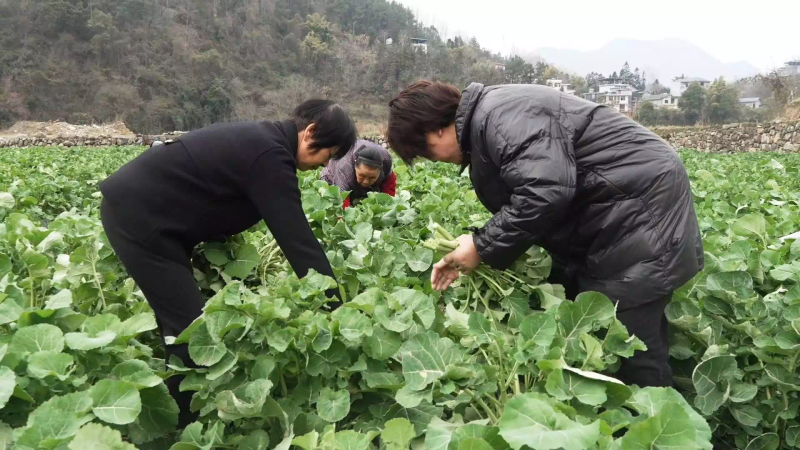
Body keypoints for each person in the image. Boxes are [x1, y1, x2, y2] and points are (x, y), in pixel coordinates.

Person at [386, 80, 704, 388]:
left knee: (626, 332)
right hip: (614, 208)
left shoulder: (499, 117)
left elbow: (545, 192)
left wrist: (481, 246)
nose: (435, 159)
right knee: (593, 315)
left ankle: (652, 411)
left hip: (640, 204)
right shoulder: (487, 121)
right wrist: (480, 244)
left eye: (427, 151)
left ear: (436, 129)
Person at [99, 99, 356, 426]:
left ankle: (175, 414)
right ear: (311, 132)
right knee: (192, 334)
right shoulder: (270, 156)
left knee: (180, 325)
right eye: (328, 154)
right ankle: (182, 428)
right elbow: (299, 242)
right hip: (139, 217)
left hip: (155, 219)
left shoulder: (264, 142)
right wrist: (337, 310)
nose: (324, 165)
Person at [321, 139, 396, 208]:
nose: (366, 181)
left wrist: (387, 207)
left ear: (380, 171)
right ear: (355, 167)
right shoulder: (344, 167)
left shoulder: (386, 160)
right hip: (331, 175)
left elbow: (389, 185)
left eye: (372, 177)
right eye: (362, 176)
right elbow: (343, 200)